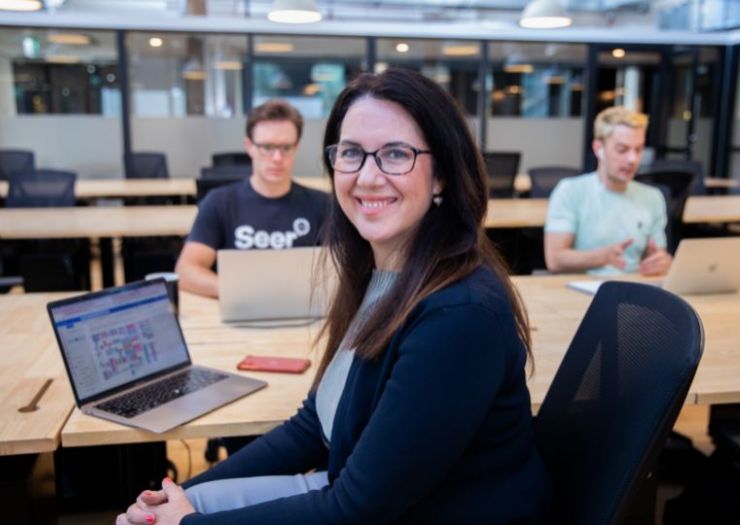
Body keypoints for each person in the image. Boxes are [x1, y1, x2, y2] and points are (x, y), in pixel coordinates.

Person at [117, 68, 549, 525]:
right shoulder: (378, 278)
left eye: (396, 154)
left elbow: (355, 509)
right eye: (352, 153)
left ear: (441, 175)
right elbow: (311, 428)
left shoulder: (458, 316)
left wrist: (188, 523)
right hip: (357, 493)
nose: (367, 176)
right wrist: (182, 494)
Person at [175, 99, 330, 298]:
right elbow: (186, 270)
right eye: (267, 147)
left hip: (304, 313)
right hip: (238, 307)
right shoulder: (220, 202)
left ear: (296, 147)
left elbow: (340, 270)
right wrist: (239, 292)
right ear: (250, 147)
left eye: (286, 147)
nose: (276, 158)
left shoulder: (322, 205)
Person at [544, 106, 673, 276]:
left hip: (633, 291)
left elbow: (656, 254)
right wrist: (602, 257)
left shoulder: (653, 197)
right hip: (581, 291)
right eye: (622, 149)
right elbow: (555, 260)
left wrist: (662, 262)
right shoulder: (570, 191)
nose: (633, 159)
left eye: (638, 149)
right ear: (599, 148)